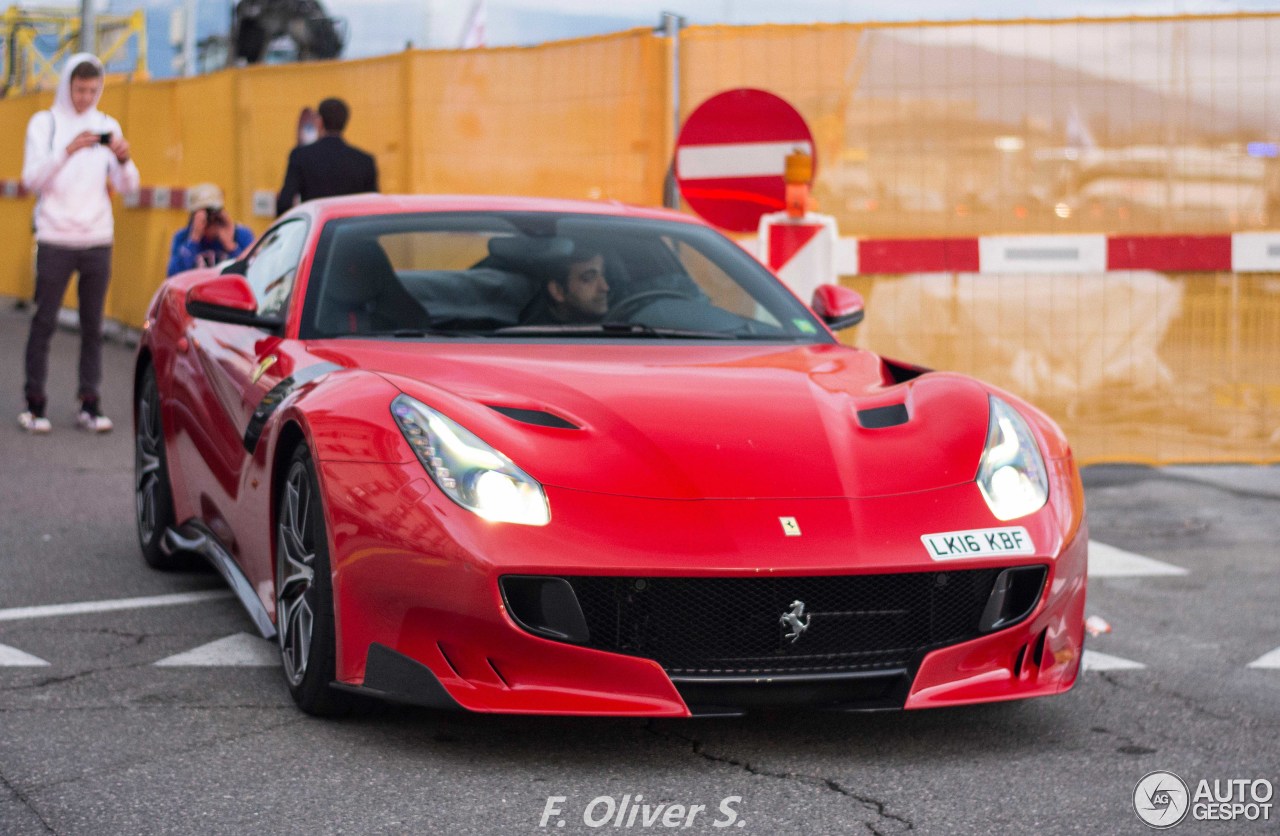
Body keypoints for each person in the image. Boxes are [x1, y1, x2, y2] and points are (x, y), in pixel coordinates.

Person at [19, 53, 140, 434]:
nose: (86, 97)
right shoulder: (45, 123)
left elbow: (129, 188)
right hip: (55, 237)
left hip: (97, 238)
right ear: (67, 85)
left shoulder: (107, 124)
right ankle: (34, 404)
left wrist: (123, 159)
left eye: (93, 90)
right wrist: (66, 151)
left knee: (93, 325)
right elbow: (31, 180)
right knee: (45, 322)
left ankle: (90, 403)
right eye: (80, 89)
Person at [275, 97, 378, 216]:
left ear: (320, 122)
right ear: (345, 122)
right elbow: (373, 205)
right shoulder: (365, 161)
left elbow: (284, 203)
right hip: (354, 231)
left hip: (318, 228)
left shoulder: (301, 156)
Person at [167, 183, 254, 276]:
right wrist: (194, 240)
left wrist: (231, 246)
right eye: (204, 214)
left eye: (214, 213)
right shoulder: (183, 237)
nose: (210, 219)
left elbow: (251, 274)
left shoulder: (241, 235)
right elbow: (174, 276)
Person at [525, 248, 610, 324]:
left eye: (603, 274)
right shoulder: (538, 335)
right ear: (557, 290)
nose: (605, 287)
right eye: (589, 278)